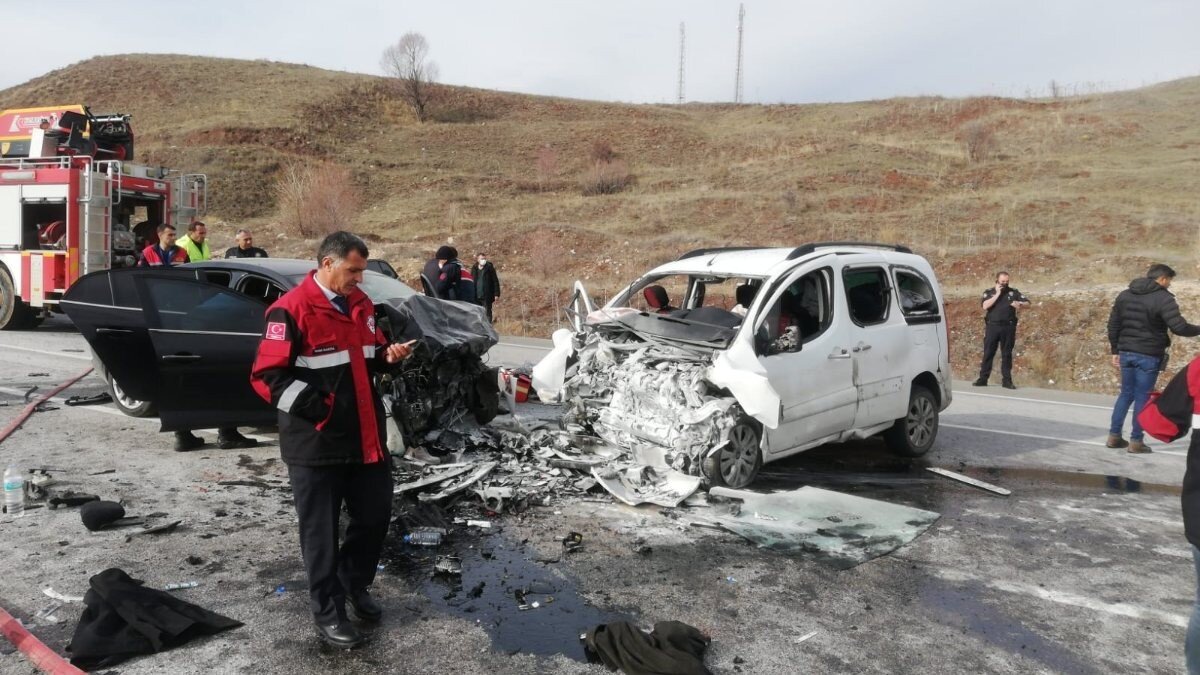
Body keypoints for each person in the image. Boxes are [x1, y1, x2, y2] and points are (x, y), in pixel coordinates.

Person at [250, 231, 414, 649]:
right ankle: (328, 612)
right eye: (353, 270)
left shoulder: (361, 305)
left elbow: (369, 355)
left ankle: (354, 585)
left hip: (365, 439)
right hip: (317, 444)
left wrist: (389, 358)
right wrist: (320, 411)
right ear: (327, 263)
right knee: (321, 534)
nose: (359, 279)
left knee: (374, 517)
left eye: (362, 271)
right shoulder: (290, 310)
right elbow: (266, 377)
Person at [1106, 263, 1200, 453]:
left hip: (1126, 352)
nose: (1170, 284)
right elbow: (1179, 327)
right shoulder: (1164, 298)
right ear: (1163, 279)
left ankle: (1114, 436)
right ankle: (1136, 441)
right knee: (1143, 396)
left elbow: (1113, 324)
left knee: (1126, 394)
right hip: (1148, 354)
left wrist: (1115, 350)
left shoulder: (1125, 295)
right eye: (1169, 280)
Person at [972, 272, 1030, 389]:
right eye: (1003, 281)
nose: (1005, 283)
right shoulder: (989, 292)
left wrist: (1020, 303)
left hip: (1008, 327)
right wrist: (997, 293)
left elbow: (1028, 303)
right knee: (988, 352)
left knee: (1007, 354)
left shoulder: (1013, 292)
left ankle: (1007, 381)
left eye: (1007, 281)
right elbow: (985, 306)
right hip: (993, 327)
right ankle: (983, 378)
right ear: (997, 280)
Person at [471, 252, 501, 321]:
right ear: (478, 259)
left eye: (484, 259)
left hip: (487, 295)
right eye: (482, 259)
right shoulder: (474, 268)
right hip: (476, 295)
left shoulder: (489, 268)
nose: (483, 260)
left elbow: (495, 281)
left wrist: (496, 294)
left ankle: (488, 326)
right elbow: (471, 281)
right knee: (478, 313)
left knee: (487, 312)